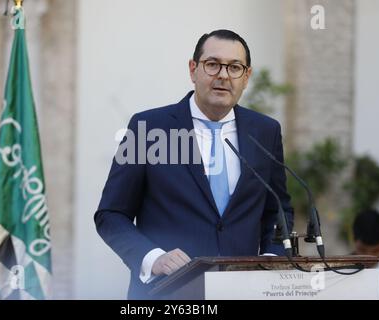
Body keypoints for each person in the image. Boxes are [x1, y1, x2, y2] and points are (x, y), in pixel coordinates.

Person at [94, 29, 294, 299]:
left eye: (235, 67)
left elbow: (278, 212)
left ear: (246, 77)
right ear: (193, 69)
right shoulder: (149, 128)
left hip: (242, 293)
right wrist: (153, 258)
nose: (223, 75)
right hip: (167, 293)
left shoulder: (265, 131)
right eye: (212, 64)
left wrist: (271, 258)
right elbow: (111, 215)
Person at [353, 209, 379, 300]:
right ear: (354, 242)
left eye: (376, 251)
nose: (369, 257)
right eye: (362, 250)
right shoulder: (337, 270)